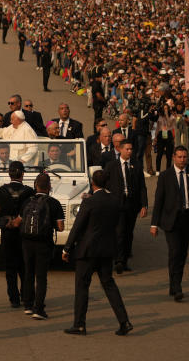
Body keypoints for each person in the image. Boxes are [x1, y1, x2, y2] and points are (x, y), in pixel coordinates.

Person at [62, 169, 133, 336]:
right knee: (109, 285)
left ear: (92, 183)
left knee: (82, 286)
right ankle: (124, 321)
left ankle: (79, 324)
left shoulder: (89, 202)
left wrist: (67, 248)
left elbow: (78, 226)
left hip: (87, 250)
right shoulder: (115, 201)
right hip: (107, 249)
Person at [149, 147, 189, 302]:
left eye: (185, 157)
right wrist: (154, 224)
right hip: (171, 220)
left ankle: (174, 284)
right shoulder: (165, 176)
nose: (182, 160)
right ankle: (177, 286)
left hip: (187, 219)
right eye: (179, 157)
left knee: (183, 253)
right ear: (173, 157)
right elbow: (159, 201)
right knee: (175, 252)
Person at [20, 172, 64, 320]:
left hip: (27, 242)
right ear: (49, 186)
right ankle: (38, 309)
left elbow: (19, 221)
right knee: (41, 276)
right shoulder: (54, 203)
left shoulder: (27, 201)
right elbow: (60, 227)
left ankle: (27, 305)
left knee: (28, 273)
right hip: (43, 243)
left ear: (35, 185)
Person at [0, 161, 34, 309]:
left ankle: (14, 298)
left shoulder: (2, 190)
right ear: (23, 174)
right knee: (24, 266)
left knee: (10, 267)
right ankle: (26, 295)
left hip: (8, 232)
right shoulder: (29, 191)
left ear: (9, 174)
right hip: (24, 233)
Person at [104, 140, 148, 274]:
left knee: (129, 233)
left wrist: (144, 205)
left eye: (131, 149)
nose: (130, 151)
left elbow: (142, 187)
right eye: (127, 149)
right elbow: (104, 183)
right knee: (119, 232)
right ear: (121, 150)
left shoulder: (137, 166)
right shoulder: (111, 166)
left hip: (132, 204)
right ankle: (118, 260)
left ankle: (124, 261)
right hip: (117, 204)